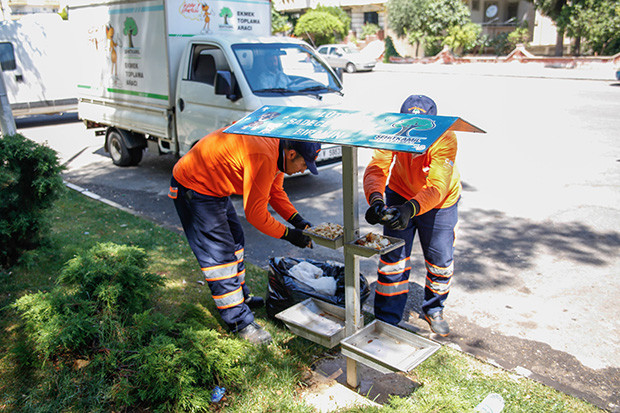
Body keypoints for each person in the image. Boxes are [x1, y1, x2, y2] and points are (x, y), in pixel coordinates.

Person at [169, 127, 318, 344]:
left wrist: (298, 220)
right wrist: (289, 234)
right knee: (219, 257)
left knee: (235, 239)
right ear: (292, 154)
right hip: (194, 186)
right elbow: (256, 215)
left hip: (213, 186)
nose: (304, 170)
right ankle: (239, 321)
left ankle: (240, 297)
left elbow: (274, 192)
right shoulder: (264, 155)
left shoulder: (279, 151)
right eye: (304, 164)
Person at [363, 94, 460, 337]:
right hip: (399, 192)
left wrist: (410, 210)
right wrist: (376, 199)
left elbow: (437, 185)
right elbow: (377, 167)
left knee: (440, 258)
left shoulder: (446, 137)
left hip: (440, 202)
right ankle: (387, 318)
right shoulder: (393, 131)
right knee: (392, 258)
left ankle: (434, 308)